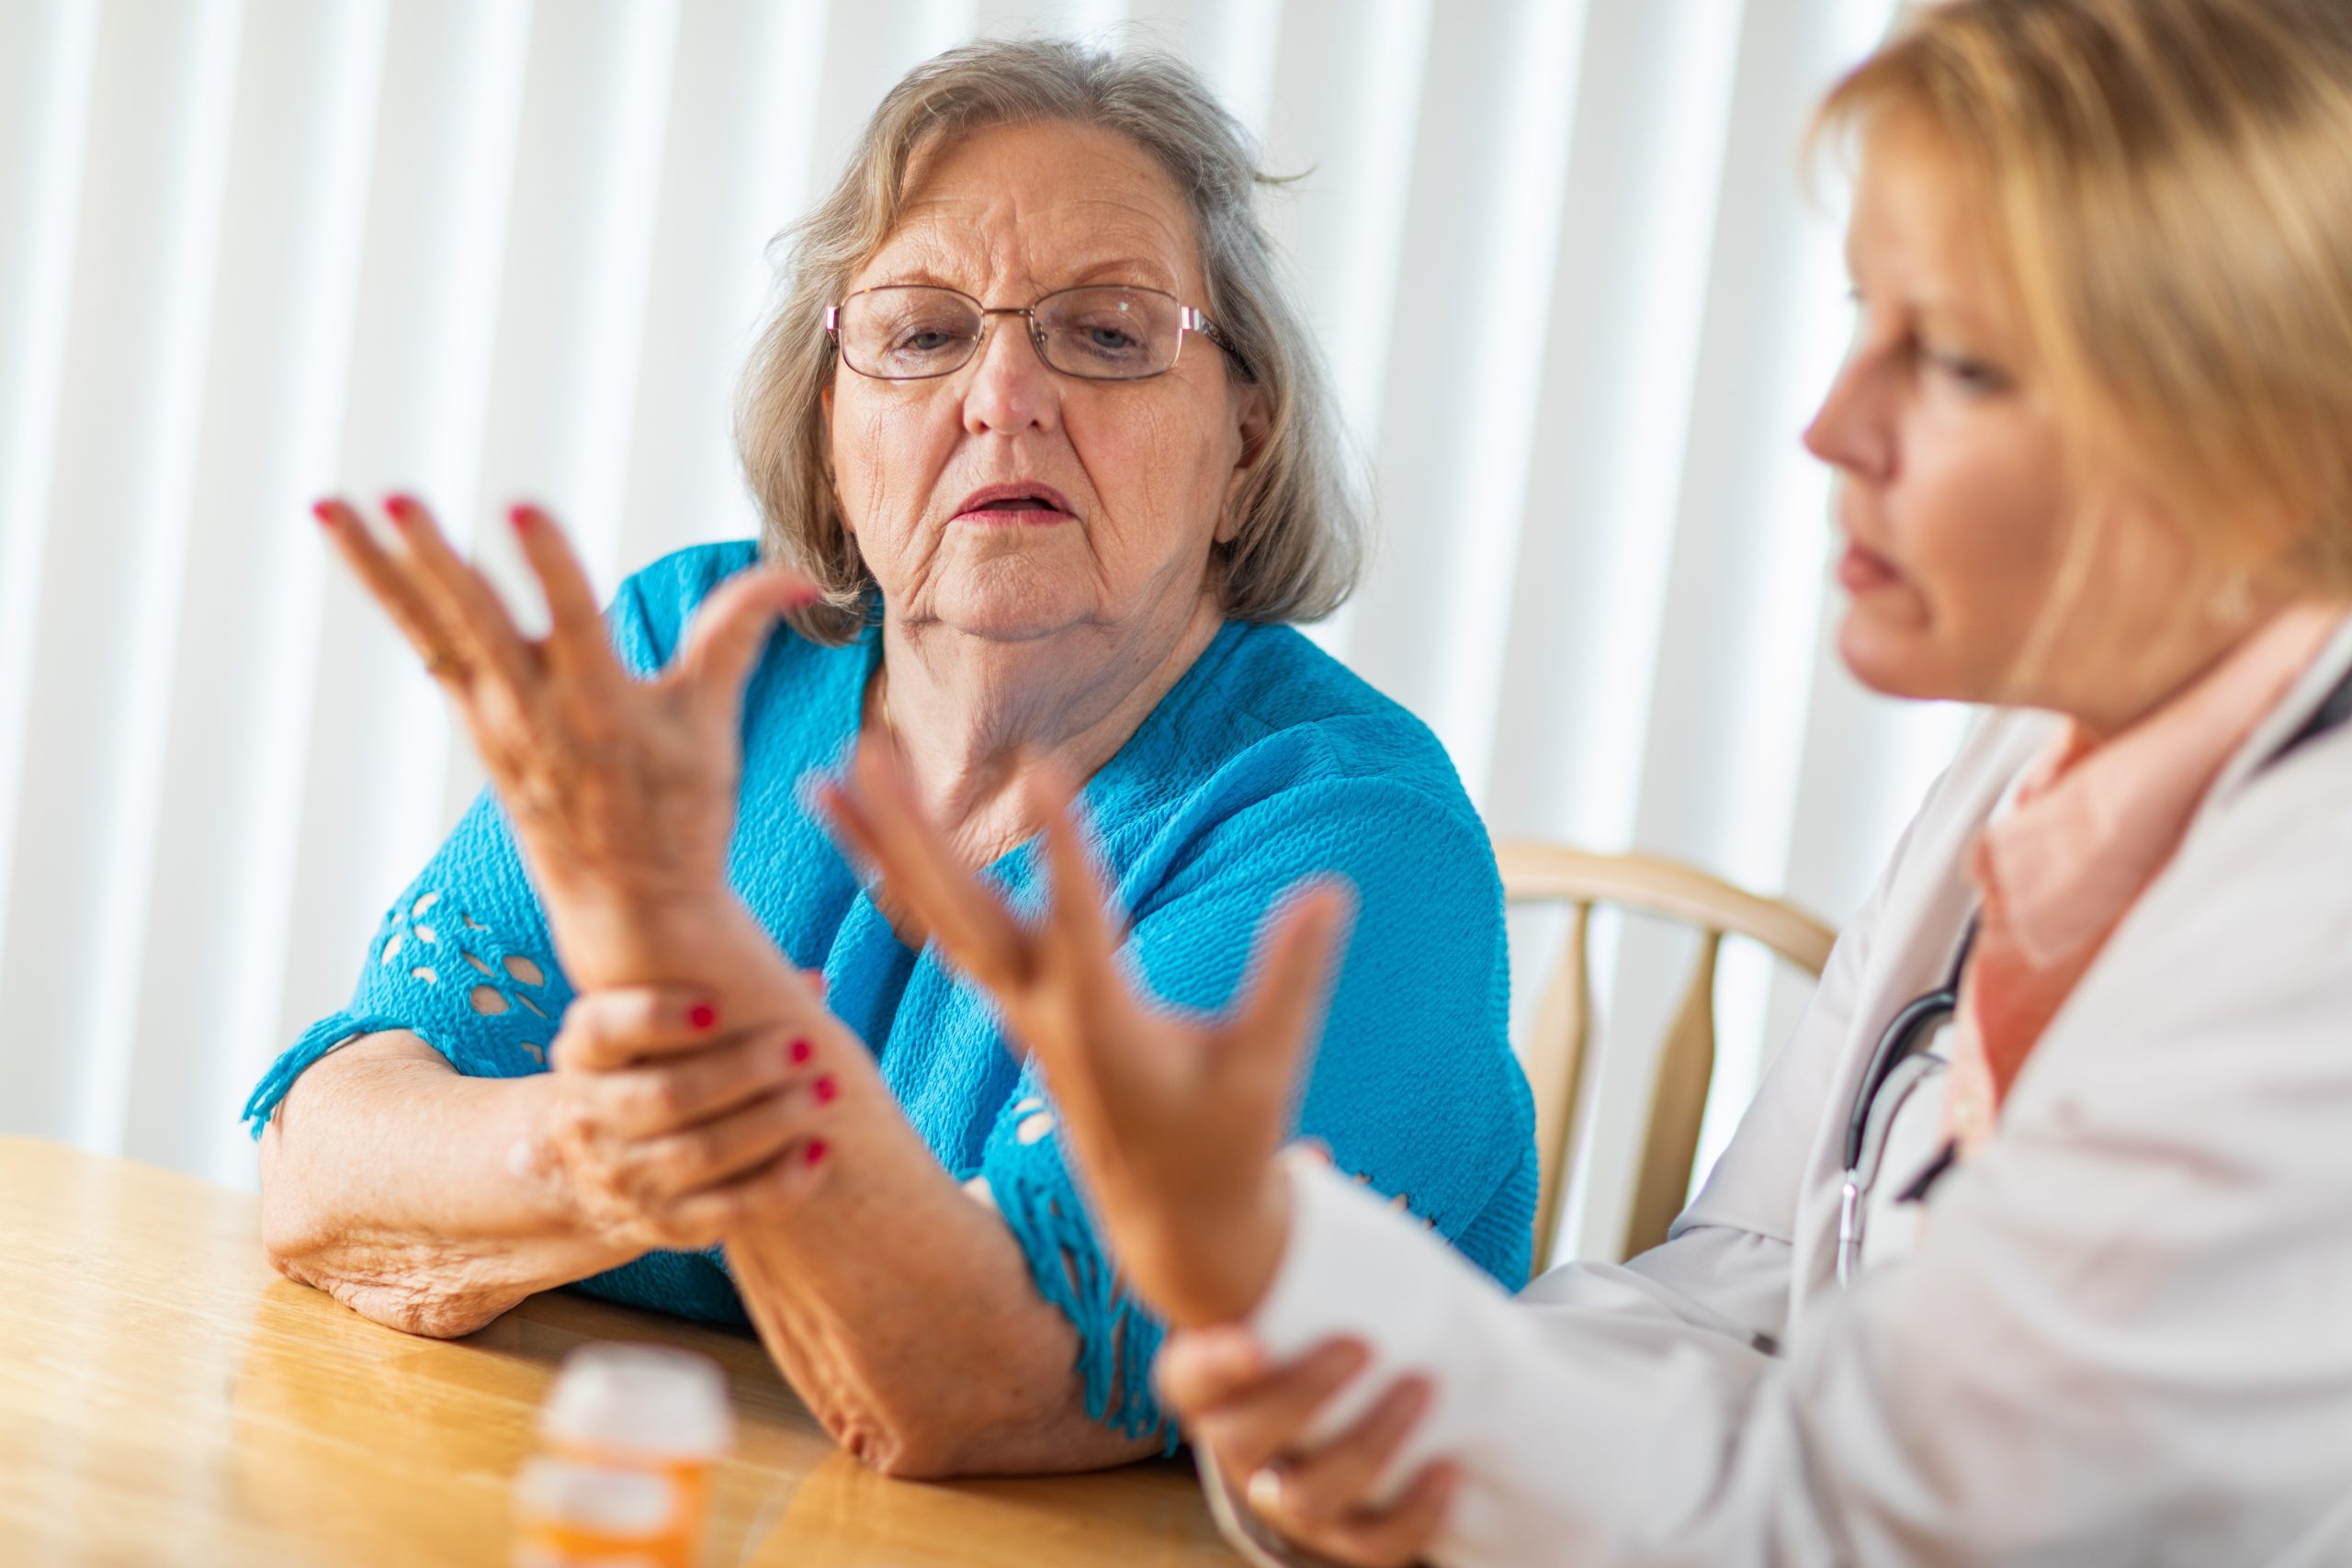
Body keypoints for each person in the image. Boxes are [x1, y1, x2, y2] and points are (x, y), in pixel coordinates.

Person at [824, 0, 2352, 1557]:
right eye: (1862, 318)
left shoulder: (2316, 925)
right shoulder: (2035, 762)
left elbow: (1872, 1522)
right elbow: (1737, 1291)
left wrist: (1290, 1278)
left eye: (1955, 360)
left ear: (2260, 417)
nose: (1832, 425)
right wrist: (1346, 1413)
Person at [245, 39, 1535, 1481]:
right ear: (832, 427)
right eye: (922, 335)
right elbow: (323, 1160)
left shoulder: (1351, 843)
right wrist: (605, 1148)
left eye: (1108, 335)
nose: (1003, 396)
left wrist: (703, 1091)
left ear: (1245, 439)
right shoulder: (700, 658)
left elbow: (997, 1378)